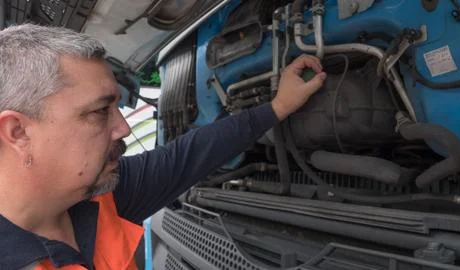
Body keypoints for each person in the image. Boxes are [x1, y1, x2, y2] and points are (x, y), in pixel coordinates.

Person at [0, 24, 327, 269]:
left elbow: (192, 153)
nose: (123, 128)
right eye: (100, 112)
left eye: (118, 108)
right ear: (17, 132)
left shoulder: (103, 195)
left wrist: (278, 107)